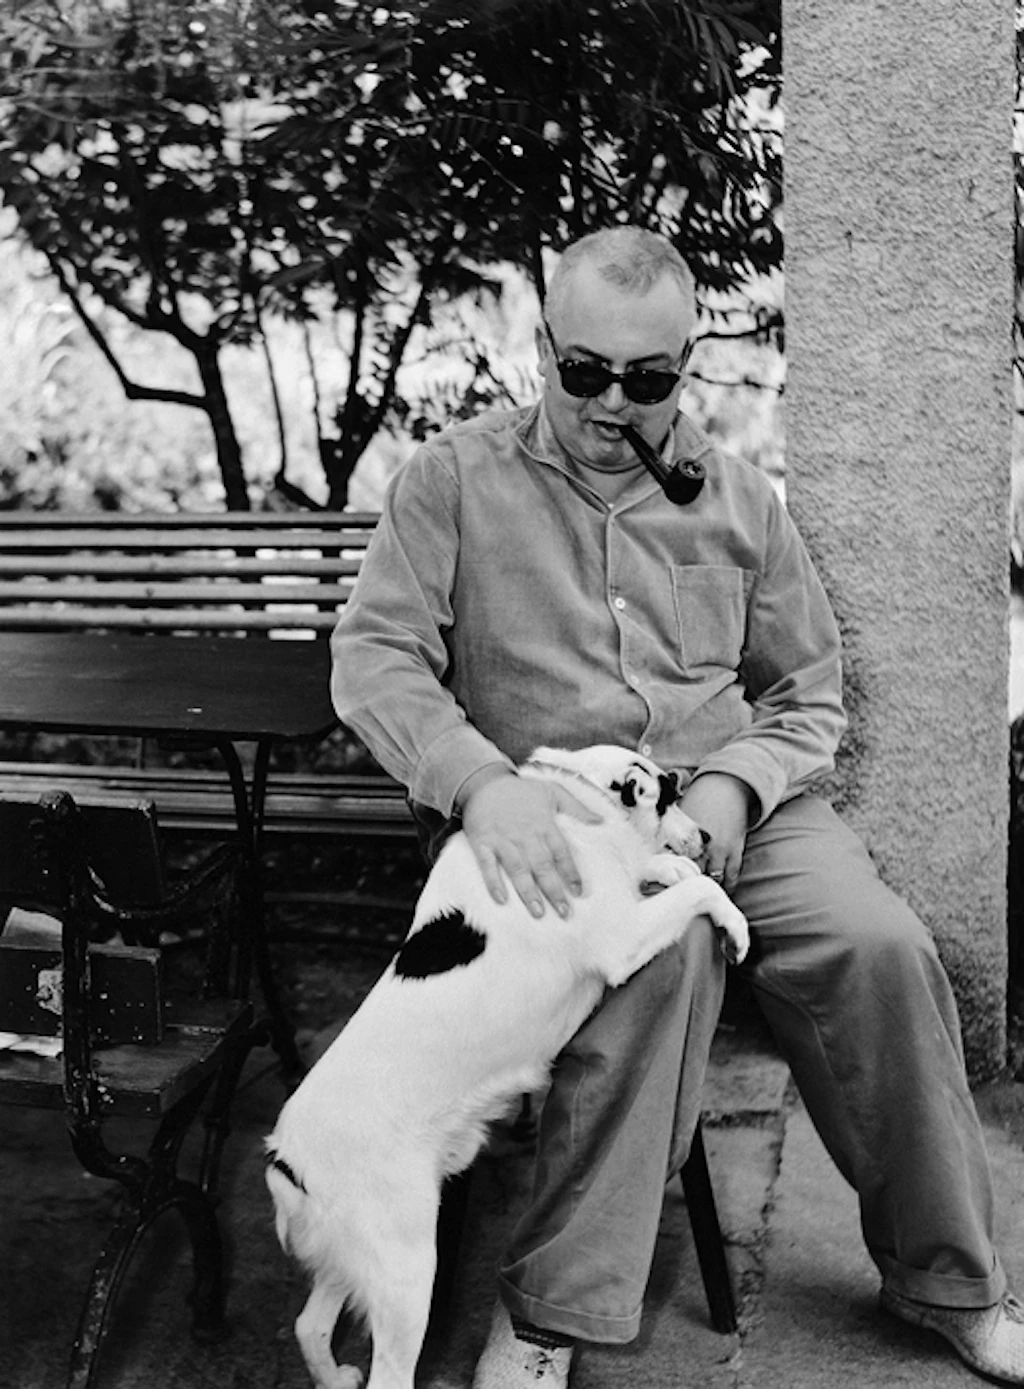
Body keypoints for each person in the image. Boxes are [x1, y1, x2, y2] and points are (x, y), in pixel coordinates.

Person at [330, 225, 1024, 1387]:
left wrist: (729, 788)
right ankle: (551, 1317)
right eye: (584, 370)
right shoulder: (452, 483)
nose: (612, 403)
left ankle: (949, 1283)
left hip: (731, 806)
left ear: (684, 365)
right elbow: (376, 659)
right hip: (554, 821)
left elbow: (806, 694)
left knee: (881, 950)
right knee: (662, 962)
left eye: (645, 379)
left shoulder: (738, 498)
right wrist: (479, 785)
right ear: (542, 346)